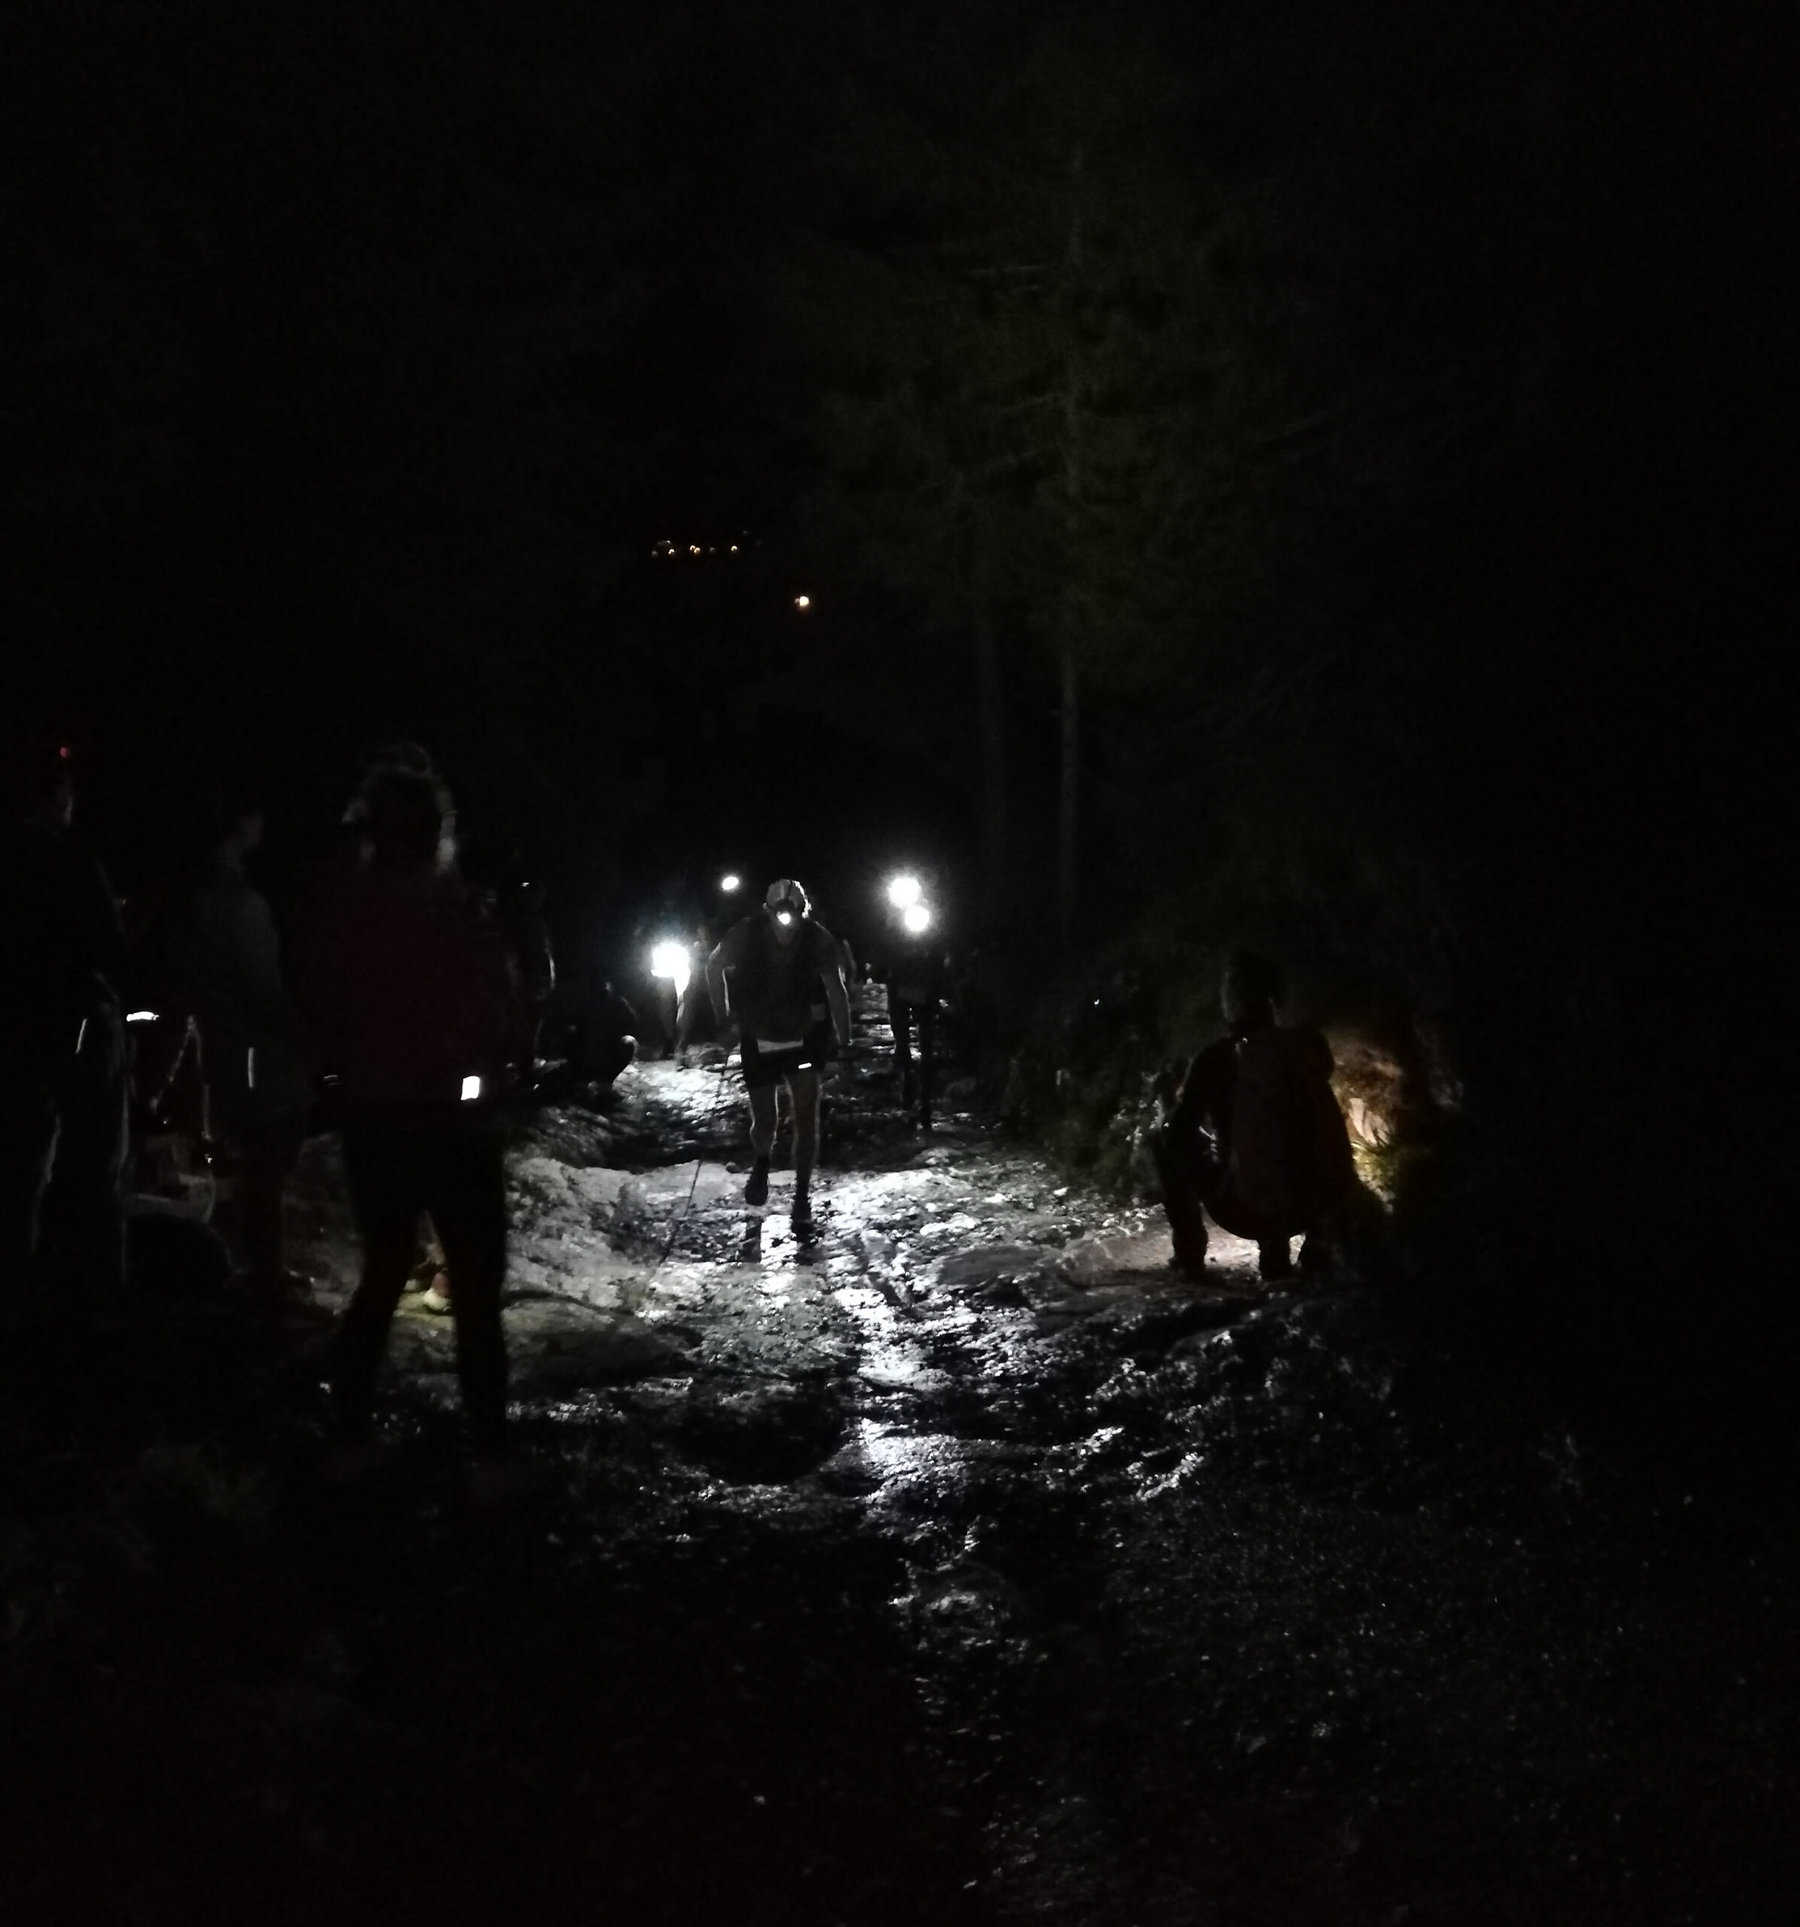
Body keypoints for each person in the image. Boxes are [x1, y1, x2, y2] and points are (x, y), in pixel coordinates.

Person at [297, 753, 518, 1493]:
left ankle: (348, 1433)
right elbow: (495, 1004)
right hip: (450, 1120)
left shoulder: (346, 911)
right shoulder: (456, 908)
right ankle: (488, 1450)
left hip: (375, 1117)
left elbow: (323, 1009)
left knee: (385, 1267)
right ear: (436, 830)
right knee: (476, 1284)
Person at [1, 734, 129, 1337]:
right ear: (55, 797)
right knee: (86, 1168)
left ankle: (24, 1289)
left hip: (22, 1033)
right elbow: (110, 947)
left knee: (22, 1164)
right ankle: (83, 1301)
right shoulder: (68, 859)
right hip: (69, 1032)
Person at [167, 790, 310, 1305]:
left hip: (225, 1047)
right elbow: (261, 988)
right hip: (252, 1051)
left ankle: (258, 1269)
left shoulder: (198, 898)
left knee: (254, 1164)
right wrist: (296, 1033)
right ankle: (264, 1278)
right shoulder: (237, 904)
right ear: (240, 825)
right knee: (264, 1165)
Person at [1152, 950, 1355, 1284]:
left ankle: (1190, 1253)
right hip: (1318, 1204)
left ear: (1231, 999)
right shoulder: (1310, 1045)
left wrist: (1187, 1123)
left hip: (1248, 1211)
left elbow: (1180, 1131)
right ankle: (1315, 1245)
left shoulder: (1215, 1057)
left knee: (1163, 1137)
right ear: (1276, 998)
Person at [704, 878, 851, 1227]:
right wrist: (724, 1018)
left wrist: (843, 1041)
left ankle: (802, 1195)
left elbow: (836, 989)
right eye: (779, 913)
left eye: (795, 913)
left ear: (804, 911)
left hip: (805, 1036)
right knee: (765, 1119)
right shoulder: (747, 933)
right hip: (759, 1035)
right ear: (767, 911)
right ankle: (762, 1161)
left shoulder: (818, 938)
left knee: (805, 1116)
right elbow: (713, 966)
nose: (787, 921)